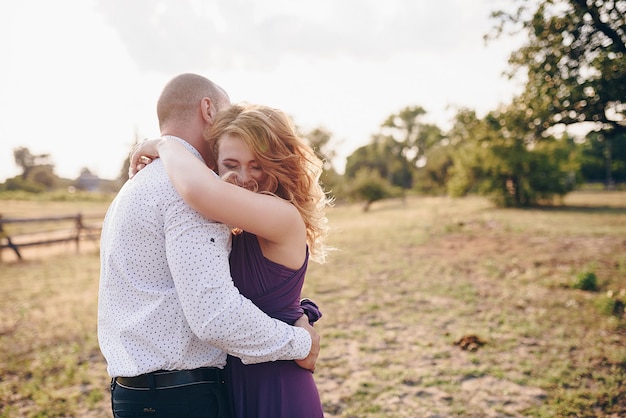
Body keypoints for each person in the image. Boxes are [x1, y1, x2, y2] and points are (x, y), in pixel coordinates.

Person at [98, 74, 320, 418]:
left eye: (257, 164)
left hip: (148, 393)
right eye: (231, 164)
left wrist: (164, 144)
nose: (243, 176)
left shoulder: (140, 189)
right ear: (208, 110)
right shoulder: (187, 192)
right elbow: (216, 316)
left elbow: (204, 192)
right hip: (190, 392)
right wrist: (301, 342)